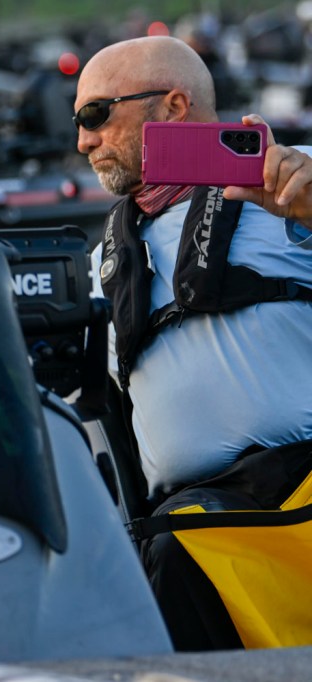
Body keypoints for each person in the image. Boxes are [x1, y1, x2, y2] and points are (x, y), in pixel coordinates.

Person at [75, 35, 312, 650]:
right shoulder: (101, 264)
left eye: (95, 115)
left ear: (174, 106)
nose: (83, 141)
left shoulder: (291, 179)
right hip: (198, 533)